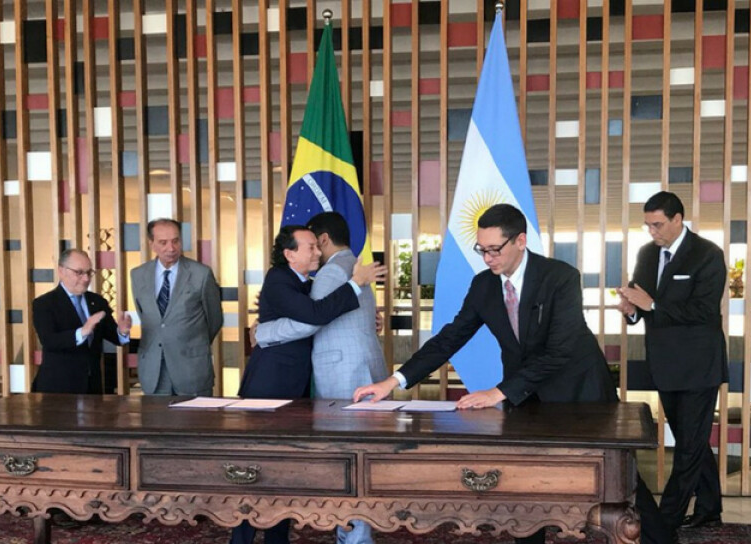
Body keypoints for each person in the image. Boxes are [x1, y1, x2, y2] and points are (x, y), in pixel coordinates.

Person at [353, 203, 670, 544]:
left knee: (620, 482)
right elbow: (450, 338)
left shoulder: (559, 277)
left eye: (494, 250)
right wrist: (394, 381)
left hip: (580, 393)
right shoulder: (483, 286)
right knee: (524, 484)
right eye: (482, 250)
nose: (488, 259)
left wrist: (498, 392)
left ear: (520, 241)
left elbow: (559, 351)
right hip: (526, 398)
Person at [231, 225, 384, 544]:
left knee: (284, 467)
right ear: (289, 254)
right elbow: (315, 315)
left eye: (317, 246)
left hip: (296, 387)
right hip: (269, 385)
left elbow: (326, 310)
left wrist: (361, 318)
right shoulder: (278, 278)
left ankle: (277, 538)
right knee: (256, 467)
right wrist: (355, 283)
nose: (318, 252)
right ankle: (241, 539)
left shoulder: (308, 282)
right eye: (310, 247)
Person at [617, 191, 727, 534]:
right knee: (691, 441)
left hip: (699, 367)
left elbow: (704, 310)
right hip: (665, 366)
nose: (652, 231)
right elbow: (640, 302)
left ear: (678, 219)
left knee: (689, 448)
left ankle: (663, 525)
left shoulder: (708, 254)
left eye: (658, 225)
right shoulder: (646, 254)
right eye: (648, 225)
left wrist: (652, 306)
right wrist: (631, 311)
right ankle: (709, 509)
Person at [130, 218, 223, 396]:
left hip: (192, 369)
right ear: (151, 244)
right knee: (156, 414)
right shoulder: (138, 275)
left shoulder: (201, 274)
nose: (171, 248)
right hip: (155, 370)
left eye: (175, 241)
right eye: (163, 242)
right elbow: (149, 318)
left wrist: (191, 342)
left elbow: (215, 319)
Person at [32, 249, 131, 394]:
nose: (86, 279)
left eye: (89, 272)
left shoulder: (97, 302)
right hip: (58, 387)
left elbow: (114, 337)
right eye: (79, 272)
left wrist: (122, 332)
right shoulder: (44, 303)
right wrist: (82, 332)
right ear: (61, 271)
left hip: (92, 386)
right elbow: (49, 340)